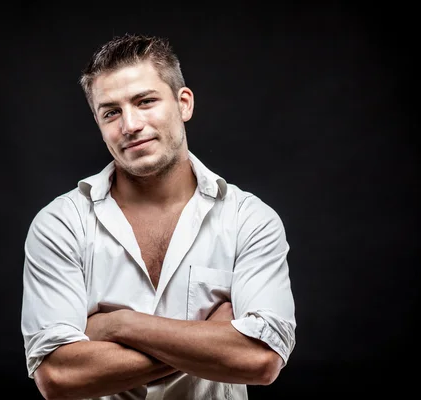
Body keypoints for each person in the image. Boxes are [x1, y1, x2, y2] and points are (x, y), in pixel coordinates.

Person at [21, 33, 296, 400]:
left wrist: (120, 324)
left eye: (145, 101)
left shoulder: (250, 220)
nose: (130, 125)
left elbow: (261, 359)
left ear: (183, 104)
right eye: (111, 112)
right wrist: (208, 340)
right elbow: (57, 376)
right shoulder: (60, 225)